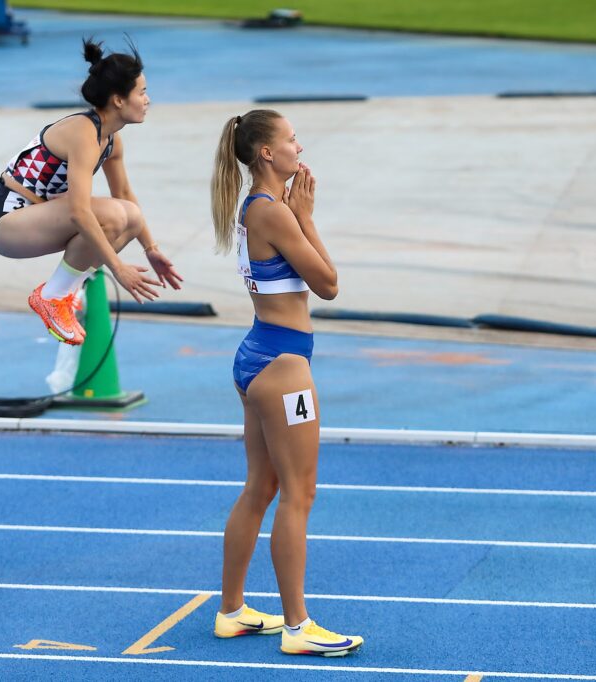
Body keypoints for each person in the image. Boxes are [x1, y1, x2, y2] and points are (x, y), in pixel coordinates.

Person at [209, 110, 363, 657]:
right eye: (292, 139)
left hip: (258, 355)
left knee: (261, 487)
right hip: (283, 367)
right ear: (267, 153)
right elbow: (329, 284)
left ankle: (231, 611)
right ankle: (298, 626)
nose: (301, 146)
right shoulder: (273, 212)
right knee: (300, 493)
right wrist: (307, 219)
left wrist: (297, 216)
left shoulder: (254, 205)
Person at [0, 38, 182, 344]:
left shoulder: (111, 139)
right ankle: (52, 297)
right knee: (114, 215)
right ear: (118, 100)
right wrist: (118, 268)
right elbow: (79, 212)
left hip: (37, 217)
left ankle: (62, 294)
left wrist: (151, 249)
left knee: (131, 217)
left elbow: (125, 193)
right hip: (7, 221)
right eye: (141, 92)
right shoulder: (84, 133)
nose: (148, 100)